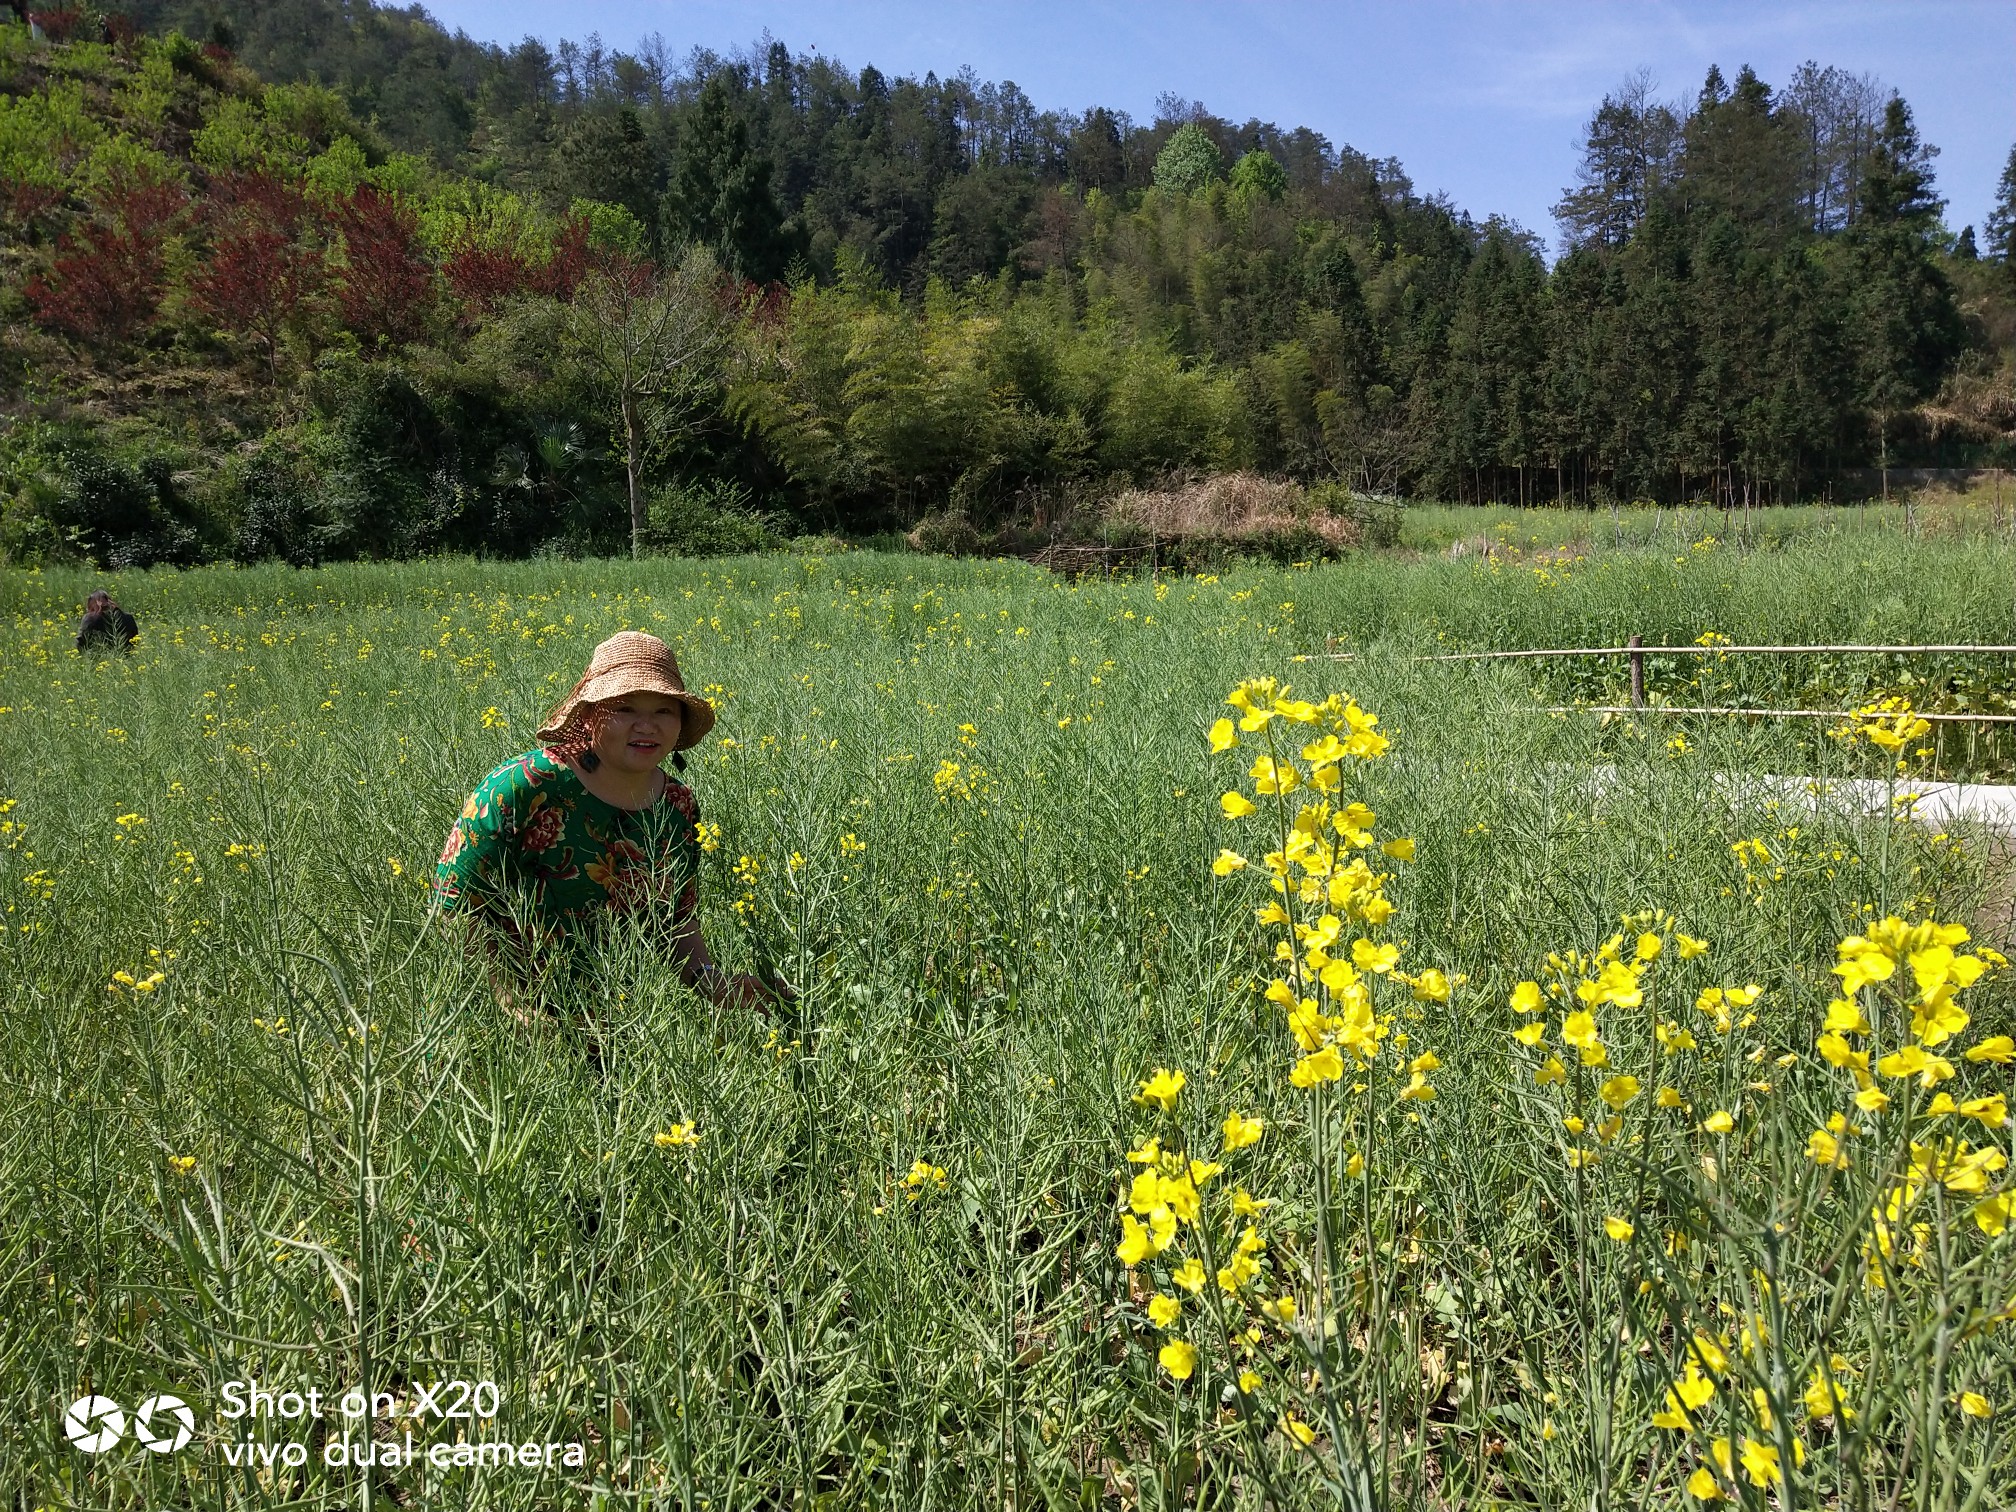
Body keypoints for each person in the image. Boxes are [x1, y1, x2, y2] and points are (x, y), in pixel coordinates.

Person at [431, 630, 776, 1036]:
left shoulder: (677, 805)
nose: (646, 725)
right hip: (500, 1031)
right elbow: (453, 906)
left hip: (621, 1027)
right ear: (590, 714)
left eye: (665, 711)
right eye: (625, 708)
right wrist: (508, 1004)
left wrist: (713, 982)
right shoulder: (523, 786)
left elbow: (676, 918)